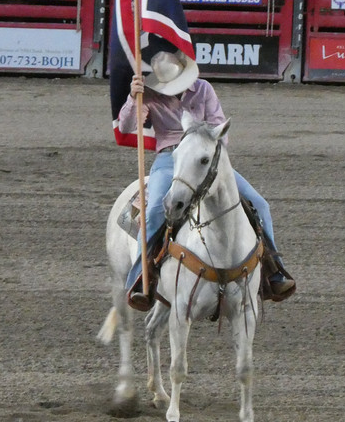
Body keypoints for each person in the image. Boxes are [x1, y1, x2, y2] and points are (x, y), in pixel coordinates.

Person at [116, 50, 295, 310]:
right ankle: (141, 277)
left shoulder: (203, 89)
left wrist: (207, 157)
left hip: (205, 160)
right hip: (170, 159)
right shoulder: (149, 94)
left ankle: (273, 270)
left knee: (260, 204)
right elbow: (125, 126)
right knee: (155, 209)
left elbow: (220, 129)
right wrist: (133, 99)